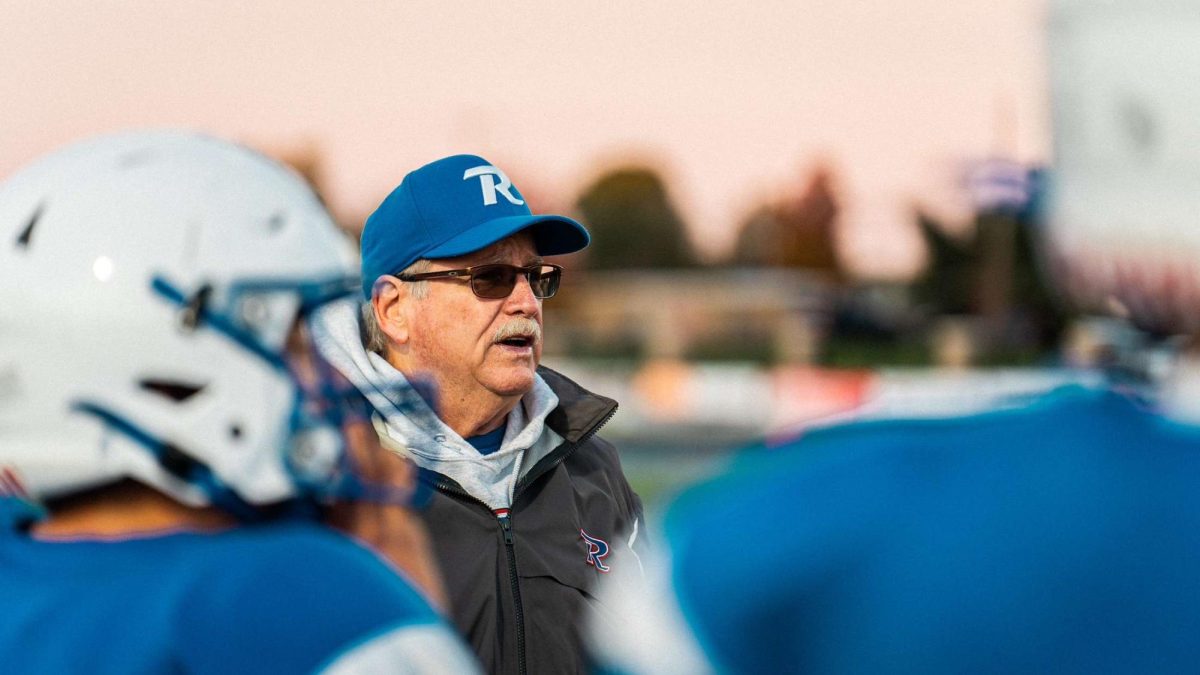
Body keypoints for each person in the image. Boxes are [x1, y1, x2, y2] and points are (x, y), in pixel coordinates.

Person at [0, 131, 478, 674]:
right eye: (295, 340)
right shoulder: (299, 594)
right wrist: (399, 581)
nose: (324, 374)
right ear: (167, 368)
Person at [313, 153, 645, 674]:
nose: (527, 303)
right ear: (393, 310)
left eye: (536, 277)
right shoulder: (322, 480)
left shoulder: (593, 468)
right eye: (490, 278)